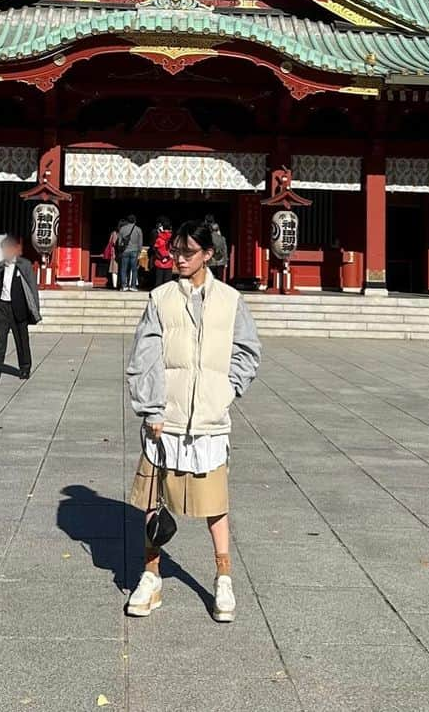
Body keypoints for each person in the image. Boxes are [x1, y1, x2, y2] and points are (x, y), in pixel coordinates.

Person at [125, 219, 261, 623]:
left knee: (215, 504)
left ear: (209, 255)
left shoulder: (232, 300)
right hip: (165, 417)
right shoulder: (161, 297)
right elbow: (144, 355)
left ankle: (223, 578)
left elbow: (247, 352)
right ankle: (150, 576)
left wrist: (227, 391)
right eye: (176, 251)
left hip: (209, 419)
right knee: (154, 499)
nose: (179, 259)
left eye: (188, 252)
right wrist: (151, 407)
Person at [0, 233, 41, 381]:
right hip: (2, 308)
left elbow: (32, 288)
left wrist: (35, 309)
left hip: (19, 308)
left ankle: (25, 368)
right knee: (0, 341)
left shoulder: (25, 266)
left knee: (22, 340)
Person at [115, 214, 143, 292]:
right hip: (134, 251)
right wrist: (139, 251)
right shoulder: (138, 229)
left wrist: (120, 250)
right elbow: (140, 243)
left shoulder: (122, 229)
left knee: (123, 269)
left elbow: (119, 242)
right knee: (134, 270)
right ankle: (133, 286)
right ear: (135, 221)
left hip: (125, 251)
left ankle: (124, 286)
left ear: (127, 221)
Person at [151, 216, 173, 287]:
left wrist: (161, 258)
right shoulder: (172, 239)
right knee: (168, 282)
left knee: (158, 282)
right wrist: (167, 257)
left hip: (159, 262)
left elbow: (155, 250)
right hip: (169, 262)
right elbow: (174, 250)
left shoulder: (159, 238)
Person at [205, 214, 229, 280]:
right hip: (220, 260)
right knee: (220, 278)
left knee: (209, 277)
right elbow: (224, 250)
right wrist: (226, 261)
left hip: (210, 260)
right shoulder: (222, 238)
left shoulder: (207, 236)